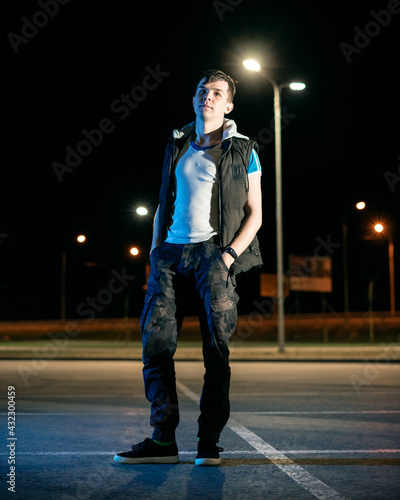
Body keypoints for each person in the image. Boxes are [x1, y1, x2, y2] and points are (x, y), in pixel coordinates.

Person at [114, 69, 262, 466]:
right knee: (156, 348)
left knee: (216, 353)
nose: (207, 97)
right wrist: (153, 253)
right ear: (194, 99)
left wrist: (228, 256)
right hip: (169, 257)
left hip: (212, 256)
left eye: (216, 93)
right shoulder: (177, 143)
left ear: (228, 104)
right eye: (202, 91)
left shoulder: (244, 150)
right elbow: (163, 202)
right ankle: (163, 440)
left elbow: (256, 214)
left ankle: (207, 443)